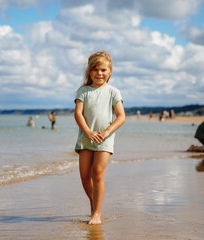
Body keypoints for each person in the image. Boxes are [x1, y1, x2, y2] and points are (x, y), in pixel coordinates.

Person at [74, 51, 125, 225]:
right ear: (89, 71)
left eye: (103, 69)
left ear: (110, 71)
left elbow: (121, 116)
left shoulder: (113, 92)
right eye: (95, 69)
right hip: (86, 137)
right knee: (84, 177)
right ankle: (94, 203)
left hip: (105, 138)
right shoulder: (83, 91)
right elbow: (78, 114)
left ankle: (97, 213)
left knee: (97, 174)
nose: (99, 73)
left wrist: (106, 132)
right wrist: (88, 131)